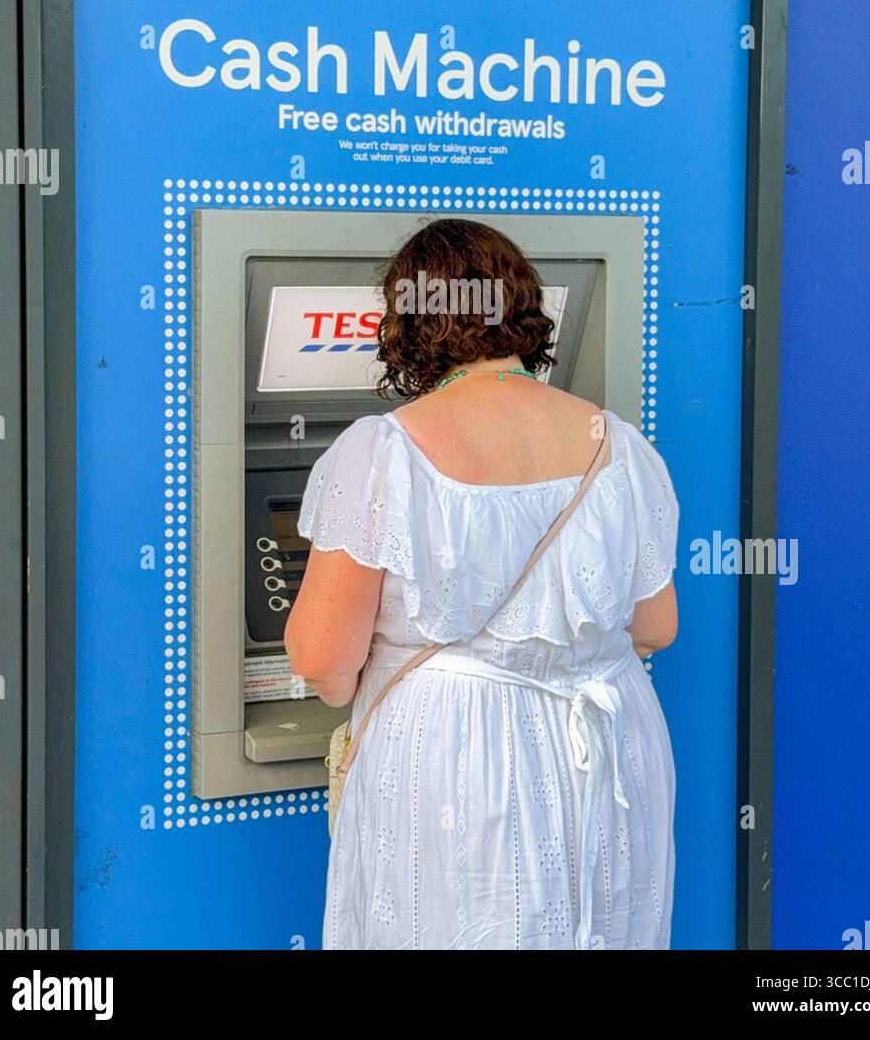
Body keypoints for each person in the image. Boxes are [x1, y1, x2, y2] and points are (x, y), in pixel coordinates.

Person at [287, 217, 679, 950]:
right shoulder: (620, 446)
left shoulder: (380, 453)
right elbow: (655, 627)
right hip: (608, 740)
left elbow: (322, 665)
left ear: (409, 321)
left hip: (459, 754)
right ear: (525, 311)